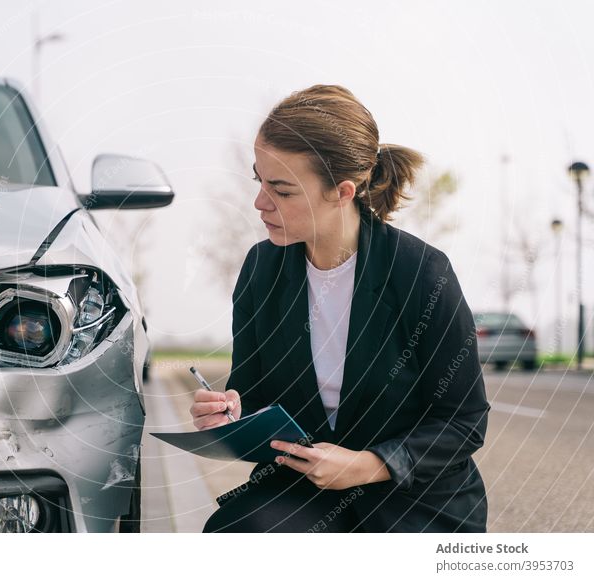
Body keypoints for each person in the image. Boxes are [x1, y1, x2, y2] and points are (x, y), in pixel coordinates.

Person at [190, 84, 490, 533]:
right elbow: (253, 395)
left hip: (412, 497)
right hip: (301, 491)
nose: (260, 203)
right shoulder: (260, 269)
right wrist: (232, 417)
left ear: (342, 191)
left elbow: (464, 420)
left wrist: (369, 464)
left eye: (282, 190)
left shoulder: (421, 272)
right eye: (259, 181)